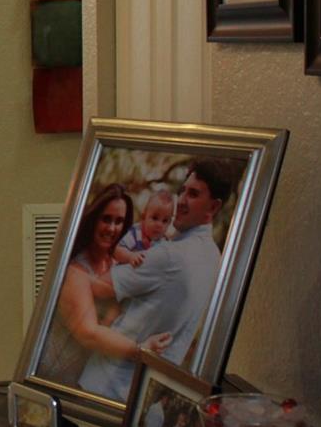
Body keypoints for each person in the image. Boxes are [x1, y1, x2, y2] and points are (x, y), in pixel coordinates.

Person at [77, 158, 243, 401]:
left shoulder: (169, 255)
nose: (181, 201)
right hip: (148, 396)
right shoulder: (213, 257)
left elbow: (99, 287)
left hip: (105, 387)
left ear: (214, 207)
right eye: (182, 191)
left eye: (193, 194)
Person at [37, 184, 170, 385]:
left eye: (119, 221)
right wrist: (140, 350)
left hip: (87, 380)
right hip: (53, 378)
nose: (112, 228)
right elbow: (89, 333)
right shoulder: (75, 270)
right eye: (106, 219)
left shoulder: (116, 265)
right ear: (93, 220)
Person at [115, 188, 173, 266]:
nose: (159, 225)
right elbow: (117, 250)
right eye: (155, 218)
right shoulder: (135, 233)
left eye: (165, 221)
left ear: (169, 223)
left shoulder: (164, 242)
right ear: (144, 217)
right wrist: (130, 256)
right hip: (125, 270)